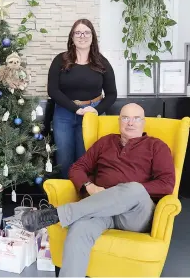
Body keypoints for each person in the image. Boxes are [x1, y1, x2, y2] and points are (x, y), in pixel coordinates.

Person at [22, 103, 175, 277]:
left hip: (135, 215)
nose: (130, 123)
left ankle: (58, 214)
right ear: (119, 121)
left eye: (136, 118)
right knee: (79, 229)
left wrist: (123, 191)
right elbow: (77, 168)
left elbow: (166, 184)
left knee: (135, 189)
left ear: (144, 122)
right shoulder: (106, 142)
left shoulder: (157, 146)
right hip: (101, 210)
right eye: (125, 118)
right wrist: (90, 186)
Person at [48, 18, 117, 179]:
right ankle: (67, 198)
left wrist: (95, 110)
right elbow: (53, 90)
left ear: (92, 37)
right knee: (64, 160)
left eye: (86, 32)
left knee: (86, 159)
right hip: (64, 113)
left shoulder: (102, 62)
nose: (82, 36)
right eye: (77, 32)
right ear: (72, 37)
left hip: (92, 115)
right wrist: (76, 109)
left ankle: (85, 199)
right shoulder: (60, 60)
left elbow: (112, 94)